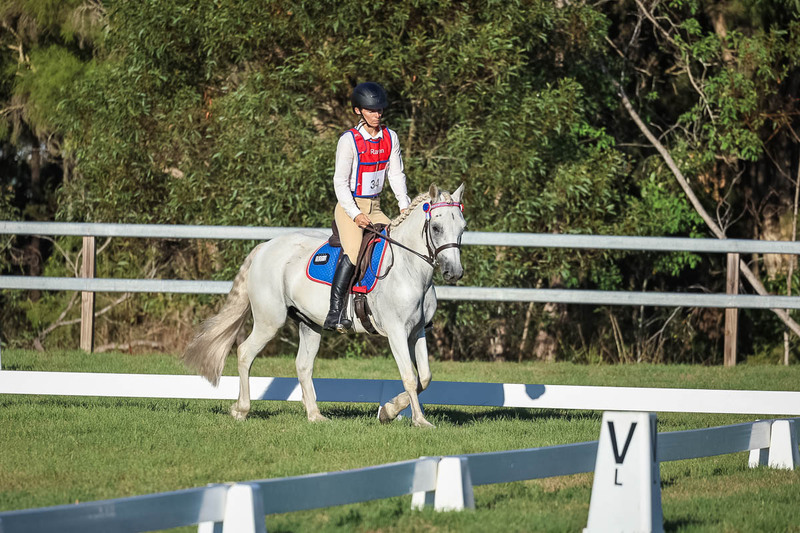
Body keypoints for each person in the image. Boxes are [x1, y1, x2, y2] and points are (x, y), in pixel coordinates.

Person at [323, 82, 411, 331]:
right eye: (371, 111)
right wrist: (355, 214)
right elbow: (339, 183)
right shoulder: (349, 141)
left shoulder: (390, 137)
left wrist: (404, 206)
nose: (377, 115)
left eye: (380, 110)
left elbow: (396, 175)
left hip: (376, 205)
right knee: (352, 251)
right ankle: (335, 312)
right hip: (349, 205)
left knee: (397, 244)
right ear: (358, 111)